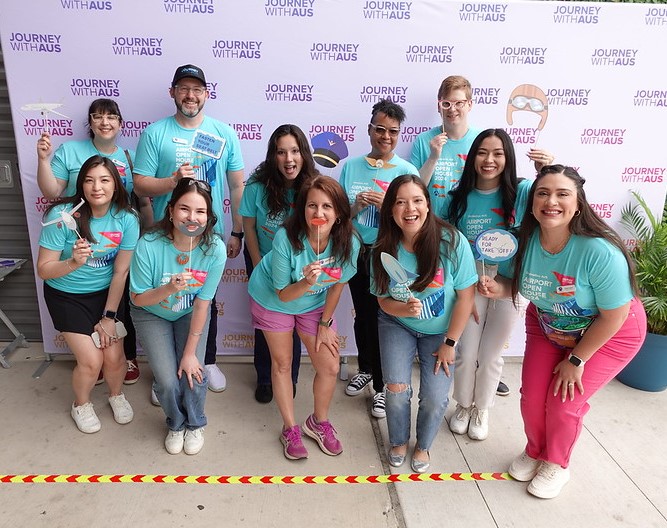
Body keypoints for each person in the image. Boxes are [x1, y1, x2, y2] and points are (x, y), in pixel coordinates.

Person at [478, 165, 647, 499]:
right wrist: (495, 287)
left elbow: (614, 316)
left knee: (562, 403)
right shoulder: (523, 242)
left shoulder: (600, 252)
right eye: (542, 193)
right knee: (531, 398)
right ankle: (536, 450)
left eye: (561, 194)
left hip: (608, 334)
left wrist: (577, 359)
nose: (550, 201)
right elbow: (514, 285)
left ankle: (556, 462)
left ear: (578, 204)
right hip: (548, 325)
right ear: (532, 202)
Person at [133, 64, 245, 393]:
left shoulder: (223, 133)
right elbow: (139, 184)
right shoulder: (155, 133)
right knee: (167, 297)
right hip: (167, 235)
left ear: (206, 94)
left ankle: (205, 359)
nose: (190, 95)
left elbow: (236, 185)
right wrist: (172, 181)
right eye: (183, 88)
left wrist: (236, 230)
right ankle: (165, 372)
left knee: (203, 297)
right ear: (173, 92)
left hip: (208, 235)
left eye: (197, 89)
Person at [443, 129, 554, 440]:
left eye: (497, 153)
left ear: (508, 158)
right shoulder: (457, 198)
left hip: (511, 285)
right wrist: (468, 279)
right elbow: (449, 244)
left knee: (491, 354)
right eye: (482, 152)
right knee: (467, 350)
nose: (489, 160)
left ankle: (482, 408)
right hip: (471, 283)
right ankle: (463, 405)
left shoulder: (523, 191)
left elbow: (555, 194)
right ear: (472, 157)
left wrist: (543, 169)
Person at [36, 98, 152, 384]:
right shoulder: (71, 152)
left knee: (120, 294)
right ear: (90, 123)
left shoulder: (130, 156)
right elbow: (52, 190)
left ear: (121, 123)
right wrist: (43, 161)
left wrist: (146, 235)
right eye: (97, 117)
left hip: (120, 237)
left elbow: (143, 200)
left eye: (111, 116)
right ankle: (92, 362)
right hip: (82, 237)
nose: (105, 122)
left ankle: (127, 356)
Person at [247, 175, 361, 460]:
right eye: (312, 206)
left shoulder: (349, 242)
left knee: (330, 366)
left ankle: (318, 422)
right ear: (302, 208)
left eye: (326, 207)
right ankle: (290, 428)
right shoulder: (287, 237)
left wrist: (325, 323)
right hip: (275, 300)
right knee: (283, 364)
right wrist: (308, 282)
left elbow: (338, 284)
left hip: (315, 305)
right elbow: (284, 294)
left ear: (338, 214)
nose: (318, 213)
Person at [371, 175, 476, 473]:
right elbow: (382, 301)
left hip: (441, 333)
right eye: (400, 202)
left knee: (433, 397)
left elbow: (466, 297)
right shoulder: (384, 248)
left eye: (417, 200)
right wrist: (403, 308)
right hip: (396, 324)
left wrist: (451, 343)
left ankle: (423, 445)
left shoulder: (452, 242)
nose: (409, 208)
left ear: (428, 206)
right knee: (396, 387)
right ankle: (399, 440)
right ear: (390, 209)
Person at [37, 155, 139, 433]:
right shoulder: (62, 217)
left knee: (115, 357)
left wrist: (108, 316)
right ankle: (81, 403)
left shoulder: (127, 219)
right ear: (80, 184)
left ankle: (116, 396)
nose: (97, 187)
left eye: (105, 180)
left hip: (106, 295)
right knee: (92, 361)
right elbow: (44, 270)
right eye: (89, 180)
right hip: (65, 295)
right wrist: (73, 262)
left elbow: (120, 273)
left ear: (116, 185)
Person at [129, 178, 226, 455]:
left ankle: (196, 424)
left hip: (190, 312)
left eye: (200, 212)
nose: (192, 218)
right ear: (170, 211)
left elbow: (203, 303)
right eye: (184, 209)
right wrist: (169, 288)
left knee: (192, 370)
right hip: (151, 312)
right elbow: (138, 298)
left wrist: (191, 352)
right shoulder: (149, 244)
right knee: (168, 379)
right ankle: (176, 423)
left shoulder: (214, 249)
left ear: (209, 217)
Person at [339, 99, 419, 418]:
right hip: (359, 253)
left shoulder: (406, 171)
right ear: (369, 130)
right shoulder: (351, 167)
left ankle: (384, 386)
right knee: (363, 315)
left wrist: (389, 205)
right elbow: (341, 216)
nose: (386, 136)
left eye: (393, 131)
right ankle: (367, 370)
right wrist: (357, 206)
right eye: (380, 129)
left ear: (400, 135)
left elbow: (414, 217)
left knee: (386, 319)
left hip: (390, 255)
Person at [241, 124, 318, 403]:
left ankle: (289, 377)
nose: (289, 159)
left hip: (298, 266)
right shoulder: (256, 185)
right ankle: (265, 376)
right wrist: (259, 263)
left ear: (304, 154)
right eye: (281, 152)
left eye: (295, 151)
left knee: (291, 319)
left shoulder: (313, 185)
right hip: (261, 259)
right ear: (272, 156)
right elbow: (248, 225)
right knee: (266, 321)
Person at [410, 75, 480, 216]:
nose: (452, 109)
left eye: (459, 103)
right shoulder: (423, 140)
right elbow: (413, 190)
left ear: (470, 105)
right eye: (446, 104)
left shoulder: (481, 141)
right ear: (439, 106)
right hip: (432, 224)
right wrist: (433, 158)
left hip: (470, 220)